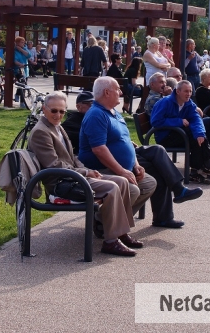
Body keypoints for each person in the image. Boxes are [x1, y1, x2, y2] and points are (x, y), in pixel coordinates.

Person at [78, 77, 202, 229]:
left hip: (126, 160)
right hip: (102, 167)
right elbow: (99, 150)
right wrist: (122, 171)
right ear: (106, 92)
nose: (121, 92)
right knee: (156, 167)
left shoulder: (113, 112)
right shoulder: (97, 114)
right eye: (117, 89)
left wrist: (135, 163)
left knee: (157, 154)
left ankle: (165, 211)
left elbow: (123, 138)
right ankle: (106, 221)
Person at [29, 91, 140, 256]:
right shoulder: (41, 132)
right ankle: (110, 242)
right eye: (54, 111)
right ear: (44, 109)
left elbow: (72, 156)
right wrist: (85, 171)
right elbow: (54, 165)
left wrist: (85, 170)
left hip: (73, 176)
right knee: (112, 188)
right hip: (61, 183)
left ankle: (120, 232)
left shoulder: (57, 127)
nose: (58, 115)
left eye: (62, 111)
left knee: (123, 182)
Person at [150, 80, 210, 183]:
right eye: (186, 91)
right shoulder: (165, 102)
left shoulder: (188, 103)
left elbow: (196, 118)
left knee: (197, 136)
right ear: (178, 91)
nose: (189, 94)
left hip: (178, 133)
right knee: (192, 134)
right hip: (165, 136)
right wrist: (179, 121)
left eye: (190, 91)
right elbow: (155, 121)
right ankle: (207, 165)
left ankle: (196, 172)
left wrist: (200, 133)